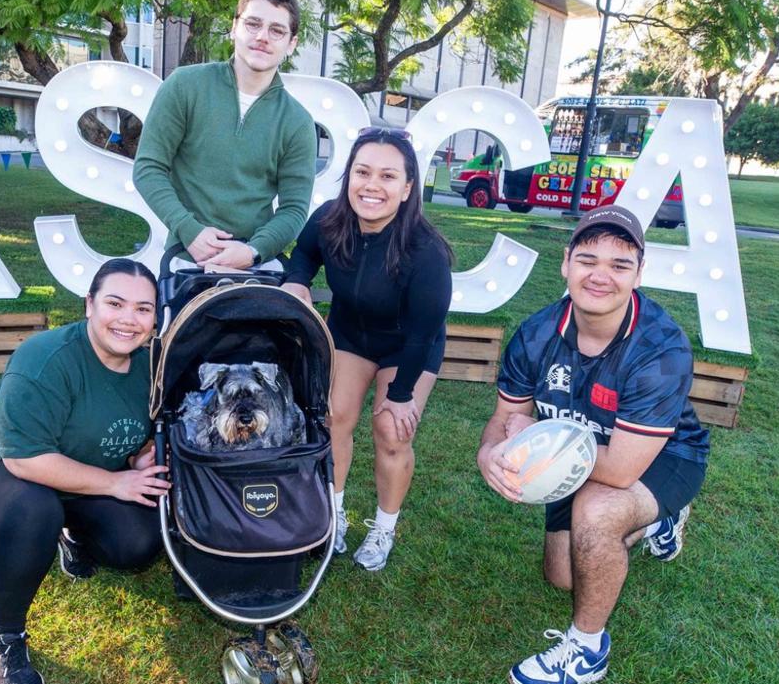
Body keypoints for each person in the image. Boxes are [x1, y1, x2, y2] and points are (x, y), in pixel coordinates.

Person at [476, 206, 708, 684]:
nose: (601, 276)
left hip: (665, 456)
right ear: (566, 264)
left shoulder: (661, 347)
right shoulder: (536, 332)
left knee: (599, 512)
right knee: (564, 576)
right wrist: (489, 453)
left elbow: (621, 470)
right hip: (582, 449)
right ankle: (656, 523)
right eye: (588, 260)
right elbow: (506, 417)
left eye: (620, 265)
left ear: (639, 274)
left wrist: (539, 446)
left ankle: (586, 651)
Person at [0, 259, 170, 684]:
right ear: (89, 304)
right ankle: (6, 636)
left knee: (139, 543)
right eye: (115, 303)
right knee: (36, 510)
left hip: (84, 476)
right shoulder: (44, 357)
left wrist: (137, 459)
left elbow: (125, 434)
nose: (129, 319)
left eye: (144, 309)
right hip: (3, 472)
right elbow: (24, 459)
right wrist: (115, 483)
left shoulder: (150, 366)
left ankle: (72, 534)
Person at [282, 127, 453, 571]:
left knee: (392, 431)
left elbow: (422, 333)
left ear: (408, 187)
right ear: (349, 176)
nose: (372, 185)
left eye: (388, 176)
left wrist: (400, 396)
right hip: (351, 335)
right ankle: (333, 515)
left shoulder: (426, 251)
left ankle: (384, 527)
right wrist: (297, 280)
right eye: (363, 172)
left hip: (408, 347)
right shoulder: (329, 219)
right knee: (333, 417)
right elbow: (303, 253)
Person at [133, 0, 317, 270]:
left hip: (257, 267)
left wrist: (254, 250)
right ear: (234, 27)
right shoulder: (185, 86)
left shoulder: (297, 122)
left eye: (277, 30)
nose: (262, 37)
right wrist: (189, 230)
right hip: (185, 259)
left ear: (291, 43)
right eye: (253, 24)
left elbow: (294, 209)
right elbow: (148, 168)